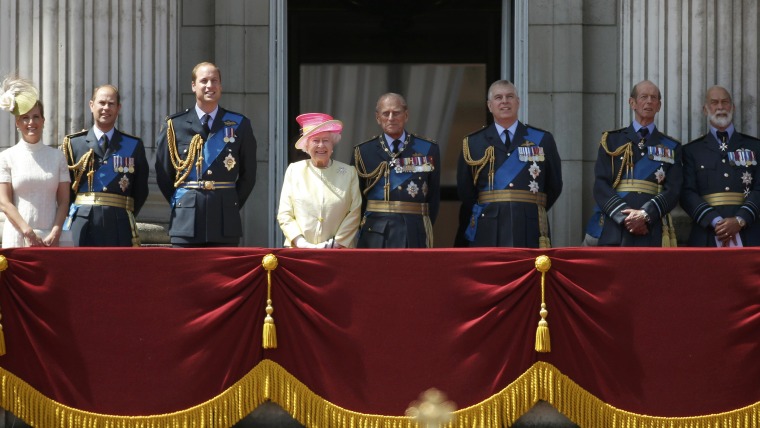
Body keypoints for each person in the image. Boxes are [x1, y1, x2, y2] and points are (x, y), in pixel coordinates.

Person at [155, 62, 257, 247]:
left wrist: (230, 204)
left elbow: (248, 176)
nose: (210, 86)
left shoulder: (239, 124)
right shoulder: (174, 125)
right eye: (204, 81)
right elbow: (163, 174)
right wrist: (182, 203)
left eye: (214, 81)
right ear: (193, 86)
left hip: (225, 220)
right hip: (186, 221)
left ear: (220, 86)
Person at [456, 80, 563, 248]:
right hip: (488, 225)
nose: (504, 101)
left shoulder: (542, 139)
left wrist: (528, 209)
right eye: (498, 97)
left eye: (510, 96)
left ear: (518, 103)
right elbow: (465, 190)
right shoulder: (473, 142)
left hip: (528, 224)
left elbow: (554, 184)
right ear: (490, 105)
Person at [592, 80, 682, 247]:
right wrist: (624, 217)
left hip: (653, 228)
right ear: (632, 102)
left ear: (659, 105)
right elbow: (600, 185)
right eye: (644, 97)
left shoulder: (671, 146)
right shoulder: (611, 141)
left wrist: (645, 215)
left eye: (653, 98)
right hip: (616, 227)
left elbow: (674, 190)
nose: (649, 101)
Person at [61, 85, 149, 246]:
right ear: (91, 105)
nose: (105, 108)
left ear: (118, 108)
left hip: (119, 223)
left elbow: (140, 189)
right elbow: (65, 189)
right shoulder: (74, 144)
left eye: (111, 104)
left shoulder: (133, 145)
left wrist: (124, 214)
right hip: (82, 222)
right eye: (101, 103)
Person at [351, 93, 440, 248]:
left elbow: (433, 196)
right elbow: (356, 198)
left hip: (414, 228)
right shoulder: (364, 151)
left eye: (396, 112)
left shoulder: (427, 148)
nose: (391, 118)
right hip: (375, 232)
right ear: (378, 118)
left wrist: (422, 224)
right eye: (386, 113)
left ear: (406, 115)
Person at [681, 85, 760, 247]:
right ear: (705, 109)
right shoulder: (691, 151)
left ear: (733, 107)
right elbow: (686, 192)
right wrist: (715, 221)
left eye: (725, 102)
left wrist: (741, 219)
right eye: (714, 102)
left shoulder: (755, 147)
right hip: (706, 234)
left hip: (749, 233)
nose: (720, 107)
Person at [0, 76, 70, 248]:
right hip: (17, 237)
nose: (31, 122)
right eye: (25, 117)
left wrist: (56, 230)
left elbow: (64, 201)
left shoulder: (58, 157)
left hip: (50, 238)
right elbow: (4, 202)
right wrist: (27, 230)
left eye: (36, 117)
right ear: (18, 123)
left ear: (43, 121)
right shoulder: (7, 156)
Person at [277, 113, 361, 248]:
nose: (321, 145)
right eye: (315, 140)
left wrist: (335, 244)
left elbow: (355, 212)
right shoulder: (294, 171)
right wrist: (301, 243)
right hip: (299, 251)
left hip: (338, 252)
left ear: (332, 144)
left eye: (326, 140)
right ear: (307, 145)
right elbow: (285, 214)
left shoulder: (349, 173)